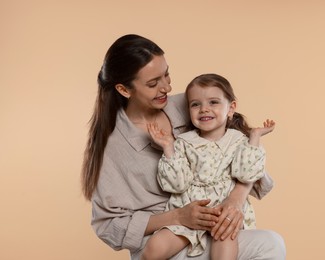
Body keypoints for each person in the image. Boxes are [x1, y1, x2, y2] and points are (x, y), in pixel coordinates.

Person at [81, 34, 286, 260]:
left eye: (166, 74)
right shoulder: (112, 148)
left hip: (213, 229)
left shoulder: (192, 103)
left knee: (267, 243)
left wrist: (235, 200)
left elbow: (242, 155)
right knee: (269, 245)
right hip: (165, 241)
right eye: (153, 83)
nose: (166, 87)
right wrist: (178, 217)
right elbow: (110, 225)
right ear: (124, 90)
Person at [142, 73, 276, 260]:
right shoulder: (183, 141)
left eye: (213, 102)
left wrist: (254, 138)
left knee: (225, 244)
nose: (204, 109)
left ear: (231, 108)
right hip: (190, 212)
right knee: (154, 248)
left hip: (223, 216)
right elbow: (177, 184)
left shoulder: (240, 141)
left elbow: (247, 175)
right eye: (195, 104)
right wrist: (168, 147)